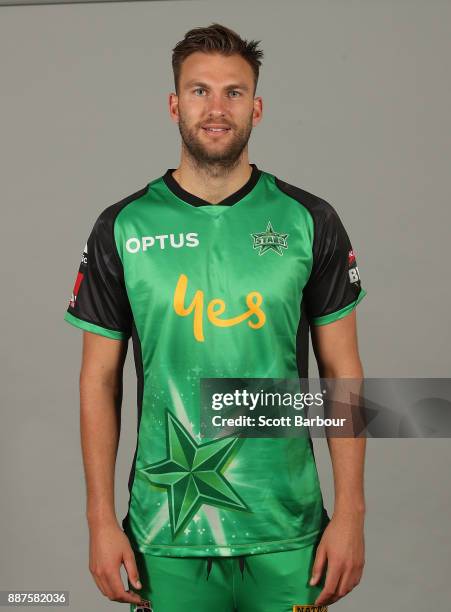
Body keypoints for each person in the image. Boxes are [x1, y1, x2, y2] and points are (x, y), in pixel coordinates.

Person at [64, 22, 367, 612]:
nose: (216, 108)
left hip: (290, 531)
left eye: (233, 92)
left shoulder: (310, 219)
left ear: (257, 106)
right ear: (174, 104)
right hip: (165, 532)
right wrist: (100, 521)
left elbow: (342, 372)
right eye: (200, 90)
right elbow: (98, 382)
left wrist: (351, 514)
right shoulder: (122, 227)